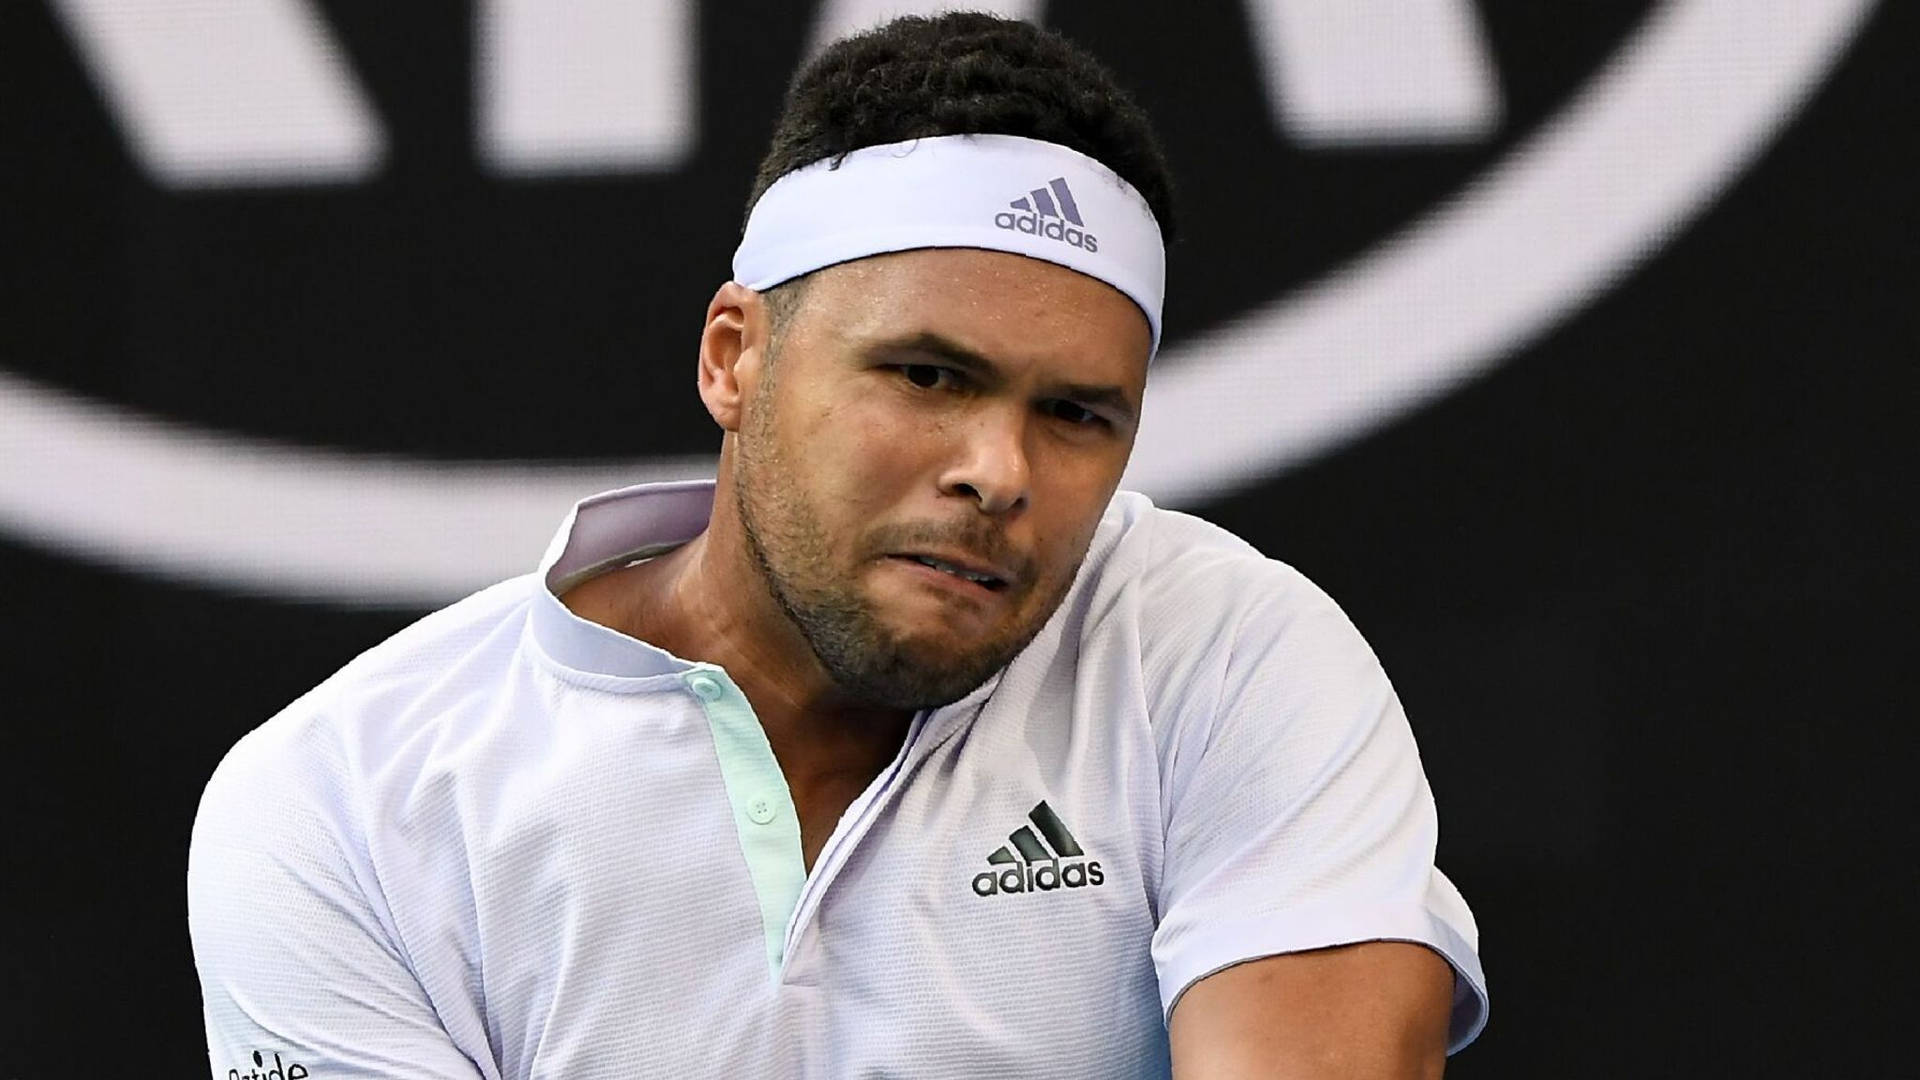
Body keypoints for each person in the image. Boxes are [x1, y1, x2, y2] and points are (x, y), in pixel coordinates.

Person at [189, 13, 1487, 1079]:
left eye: (1077, 414)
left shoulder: (1231, 659)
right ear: (734, 357)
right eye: (926, 375)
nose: (998, 471)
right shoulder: (342, 802)